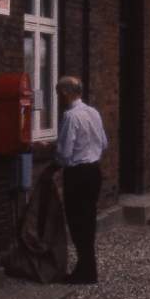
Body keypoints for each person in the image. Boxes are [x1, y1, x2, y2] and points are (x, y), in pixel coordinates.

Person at [53, 76, 107, 284]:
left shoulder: (70, 117)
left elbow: (65, 153)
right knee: (88, 221)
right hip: (94, 171)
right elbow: (103, 143)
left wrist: (53, 158)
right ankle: (88, 268)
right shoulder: (93, 112)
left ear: (66, 93)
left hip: (77, 174)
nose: (58, 98)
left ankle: (85, 271)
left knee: (77, 222)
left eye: (58, 94)